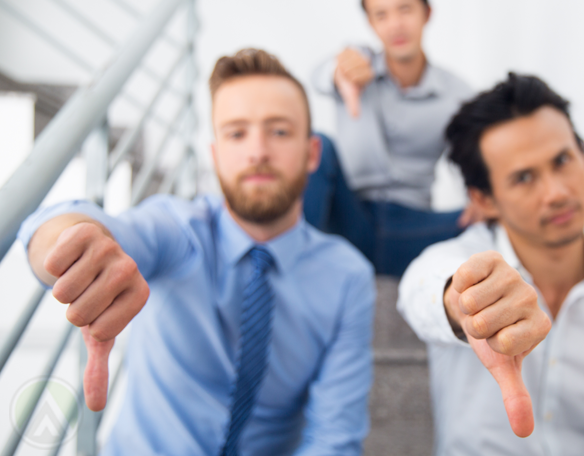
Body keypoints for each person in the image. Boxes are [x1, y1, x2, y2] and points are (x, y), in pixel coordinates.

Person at [19, 49, 376, 456]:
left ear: (312, 153)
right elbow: (71, 226)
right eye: (236, 133)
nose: (257, 151)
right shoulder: (177, 230)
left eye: (278, 132)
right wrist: (73, 243)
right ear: (215, 154)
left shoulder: (348, 277)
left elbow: (333, 439)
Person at [398, 73, 584, 455]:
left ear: (583, 155)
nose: (557, 193)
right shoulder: (452, 259)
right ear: (483, 200)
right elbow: (422, 289)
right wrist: (464, 305)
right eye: (524, 178)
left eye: (562, 160)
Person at [307, 0, 476, 276]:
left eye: (405, 9)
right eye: (382, 15)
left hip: (411, 225)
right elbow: (317, 75)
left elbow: (479, 157)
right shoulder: (355, 67)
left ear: (427, 13)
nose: (395, 24)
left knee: (495, 218)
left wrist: (482, 198)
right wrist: (339, 73)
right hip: (351, 216)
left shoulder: (457, 94)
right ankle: (293, 265)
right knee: (319, 144)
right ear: (371, 24)